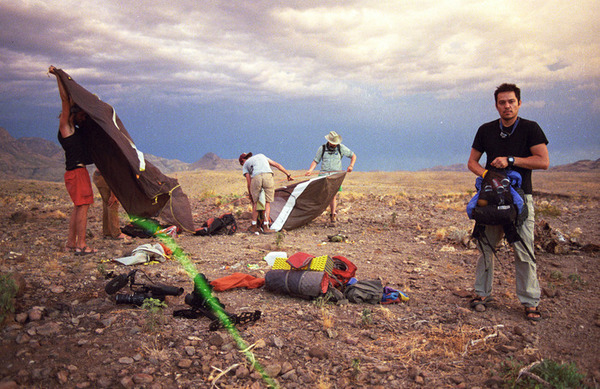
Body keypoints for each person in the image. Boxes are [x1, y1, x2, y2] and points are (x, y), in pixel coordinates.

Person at [467, 83, 549, 321]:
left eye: (511, 101)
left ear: (519, 103)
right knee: (486, 246)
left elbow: (543, 161)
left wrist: (511, 160)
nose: (507, 106)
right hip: (490, 198)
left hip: (521, 198)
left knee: (523, 249)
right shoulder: (485, 130)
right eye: (502, 102)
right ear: (496, 105)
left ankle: (530, 301)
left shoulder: (530, 129)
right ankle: (482, 294)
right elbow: (472, 162)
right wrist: (487, 176)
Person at [49, 65, 97, 256]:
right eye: (81, 115)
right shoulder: (65, 126)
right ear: (72, 115)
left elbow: (68, 98)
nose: (83, 118)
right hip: (77, 173)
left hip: (75, 172)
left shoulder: (72, 129)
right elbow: (65, 100)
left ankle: (70, 243)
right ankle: (82, 245)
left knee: (78, 207)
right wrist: (58, 76)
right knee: (83, 207)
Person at [305, 131, 356, 222]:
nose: (334, 145)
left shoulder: (341, 148)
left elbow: (353, 156)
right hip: (323, 175)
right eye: (333, 143)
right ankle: (311, 215)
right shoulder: (322, 148)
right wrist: (310, 170)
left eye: (336, 143)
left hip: (336, 176)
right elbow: (316, 161)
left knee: (333, 196)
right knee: (320, 195)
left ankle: (332, 215)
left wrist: (351, 165)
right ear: (329, 141)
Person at [239, 152, 293, 234]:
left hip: (256, 178)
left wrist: (250, 195)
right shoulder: (261, 156)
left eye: (241, 164)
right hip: (268, 177)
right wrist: (288, 174)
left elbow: (249, 181)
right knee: (267, 203)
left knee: (256, 203)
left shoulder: (246, 164)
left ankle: (253, 227)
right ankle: (266, 227)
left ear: (243, 161)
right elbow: (277, 165)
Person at [92, 169, 129, 240]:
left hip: (99, 176)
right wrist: (114, 194)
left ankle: (107, 232)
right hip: (107, 177)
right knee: (113, 203)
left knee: (107, 203)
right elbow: (113, 172)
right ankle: (116, 233)